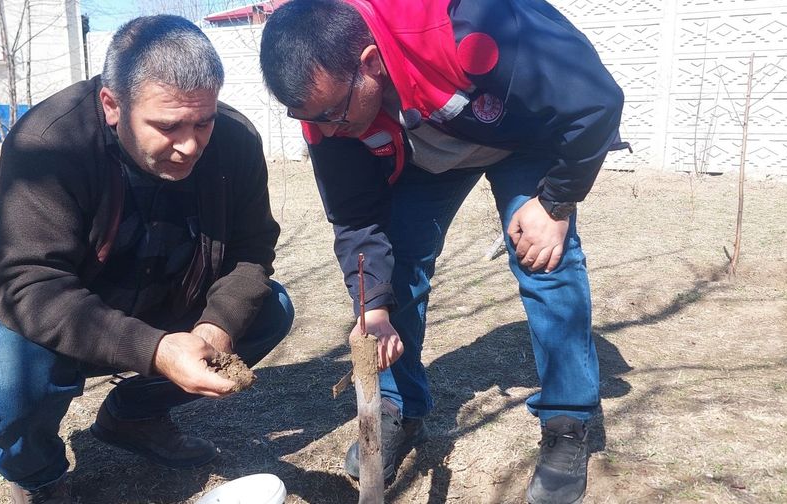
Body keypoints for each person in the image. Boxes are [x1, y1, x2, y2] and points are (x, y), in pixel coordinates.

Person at [259, 0, 624, 502]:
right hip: (430, 149)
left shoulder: (470, 22)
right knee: (400, 268)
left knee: (543, 259)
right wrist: (374, 309)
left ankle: (567, 419)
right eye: (308, 119)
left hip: (527, 137)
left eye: (329, 116)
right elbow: (356, 217)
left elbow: (595, 102)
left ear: (369, 63)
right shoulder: (324, 111)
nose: (323, 131)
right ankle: (398, 409)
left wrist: (555, 204)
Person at [0, 15, 293, 504]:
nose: (190, 145)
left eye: (202, 122)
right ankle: (39, 475)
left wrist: (214, 328)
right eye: (167, 126)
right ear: (112, 105)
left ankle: (133, 417)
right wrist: (157, 350)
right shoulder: (49, 142)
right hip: (18, 306)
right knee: (11, 377)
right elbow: (30, 285)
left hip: (148, 295)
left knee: (268, 309)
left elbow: (252, 250)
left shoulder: (234, 140)